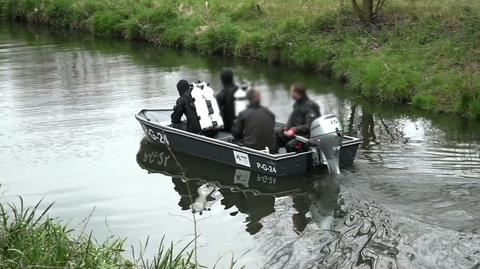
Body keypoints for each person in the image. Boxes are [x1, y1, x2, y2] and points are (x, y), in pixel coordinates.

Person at [278, 82, 321, 149]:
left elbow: (310, 126)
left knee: (290, 146)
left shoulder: (310, 106)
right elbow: (292, 119)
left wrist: (294, 129)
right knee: (276, 133)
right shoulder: (297, 104)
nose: (291, 93)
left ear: (297, 93)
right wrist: (286, 128)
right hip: (297, 134)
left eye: (292, 91)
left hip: (307, 137)